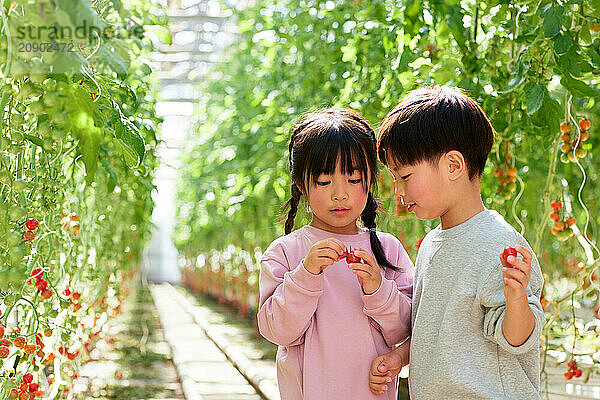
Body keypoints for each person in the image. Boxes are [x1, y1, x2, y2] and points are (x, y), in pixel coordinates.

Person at [369, 86, 545, 399]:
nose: (398, 191)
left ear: (453, 165)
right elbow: (431, 330)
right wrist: (399, 357)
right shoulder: (431, 245)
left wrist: (517, 298)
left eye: (405, 176)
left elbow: (518, 339)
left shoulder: (498, 243)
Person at [257, 108, 413, 400]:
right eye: (324, 182)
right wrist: (305, 277)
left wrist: (378, 290)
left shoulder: (387, 249)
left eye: (353, 180)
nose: (339, 194)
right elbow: (277, 330)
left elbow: (406, 331)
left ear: (370, 180)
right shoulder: (286, 253)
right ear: (301, 184)